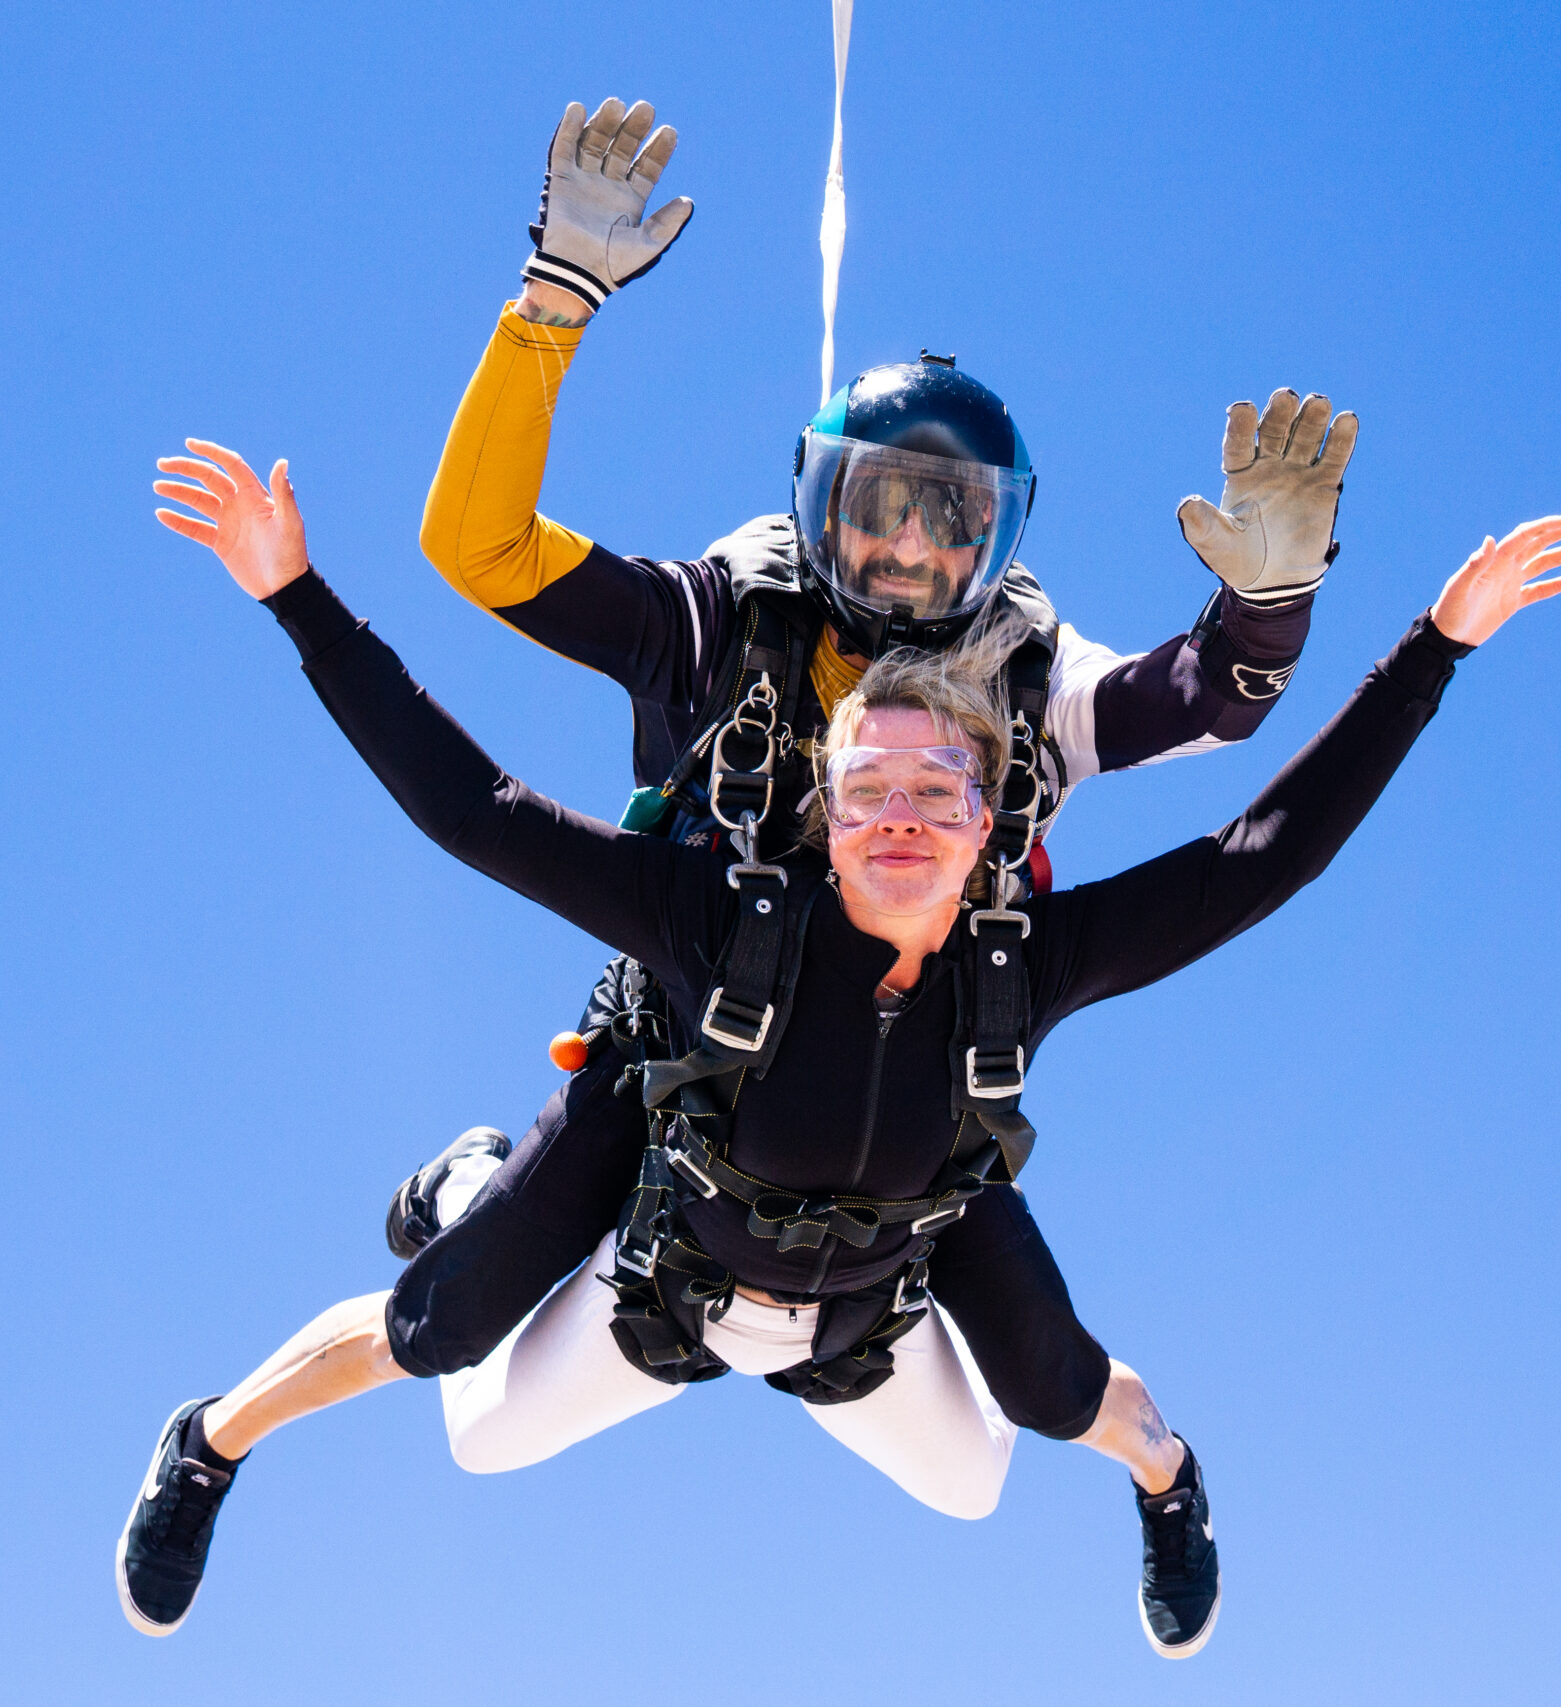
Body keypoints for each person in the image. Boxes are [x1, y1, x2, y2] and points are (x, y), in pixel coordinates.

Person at [119, 427, 1561, 1652]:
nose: (902, 818)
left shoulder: (1026, 962)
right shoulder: (712, 921)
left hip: (877, 1276)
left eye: (940, 795)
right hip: (675, 1231)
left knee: (1027, 1423)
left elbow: (1262, 857)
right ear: (821, 818)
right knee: (451, 1363)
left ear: (994, 825)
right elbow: (472, 809)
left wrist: (1433, 647)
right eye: (871, 791)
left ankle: (1171, 1478)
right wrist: (296, 596)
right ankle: (217, 1433)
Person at [333, 98, 1355, 1583]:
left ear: (997, 541)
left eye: (953, 519)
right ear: (821, 501)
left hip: (911, 1096)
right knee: (478, 1411)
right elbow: (476, 549)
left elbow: (1201, 704)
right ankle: (470, 1184)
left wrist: (1268, 606)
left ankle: (1146, 1463)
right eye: (883, 506)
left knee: (998, 1452)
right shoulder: (719, 623)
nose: (913, 550)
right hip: (689, 1059)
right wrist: (553, 303)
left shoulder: (1027, 677)